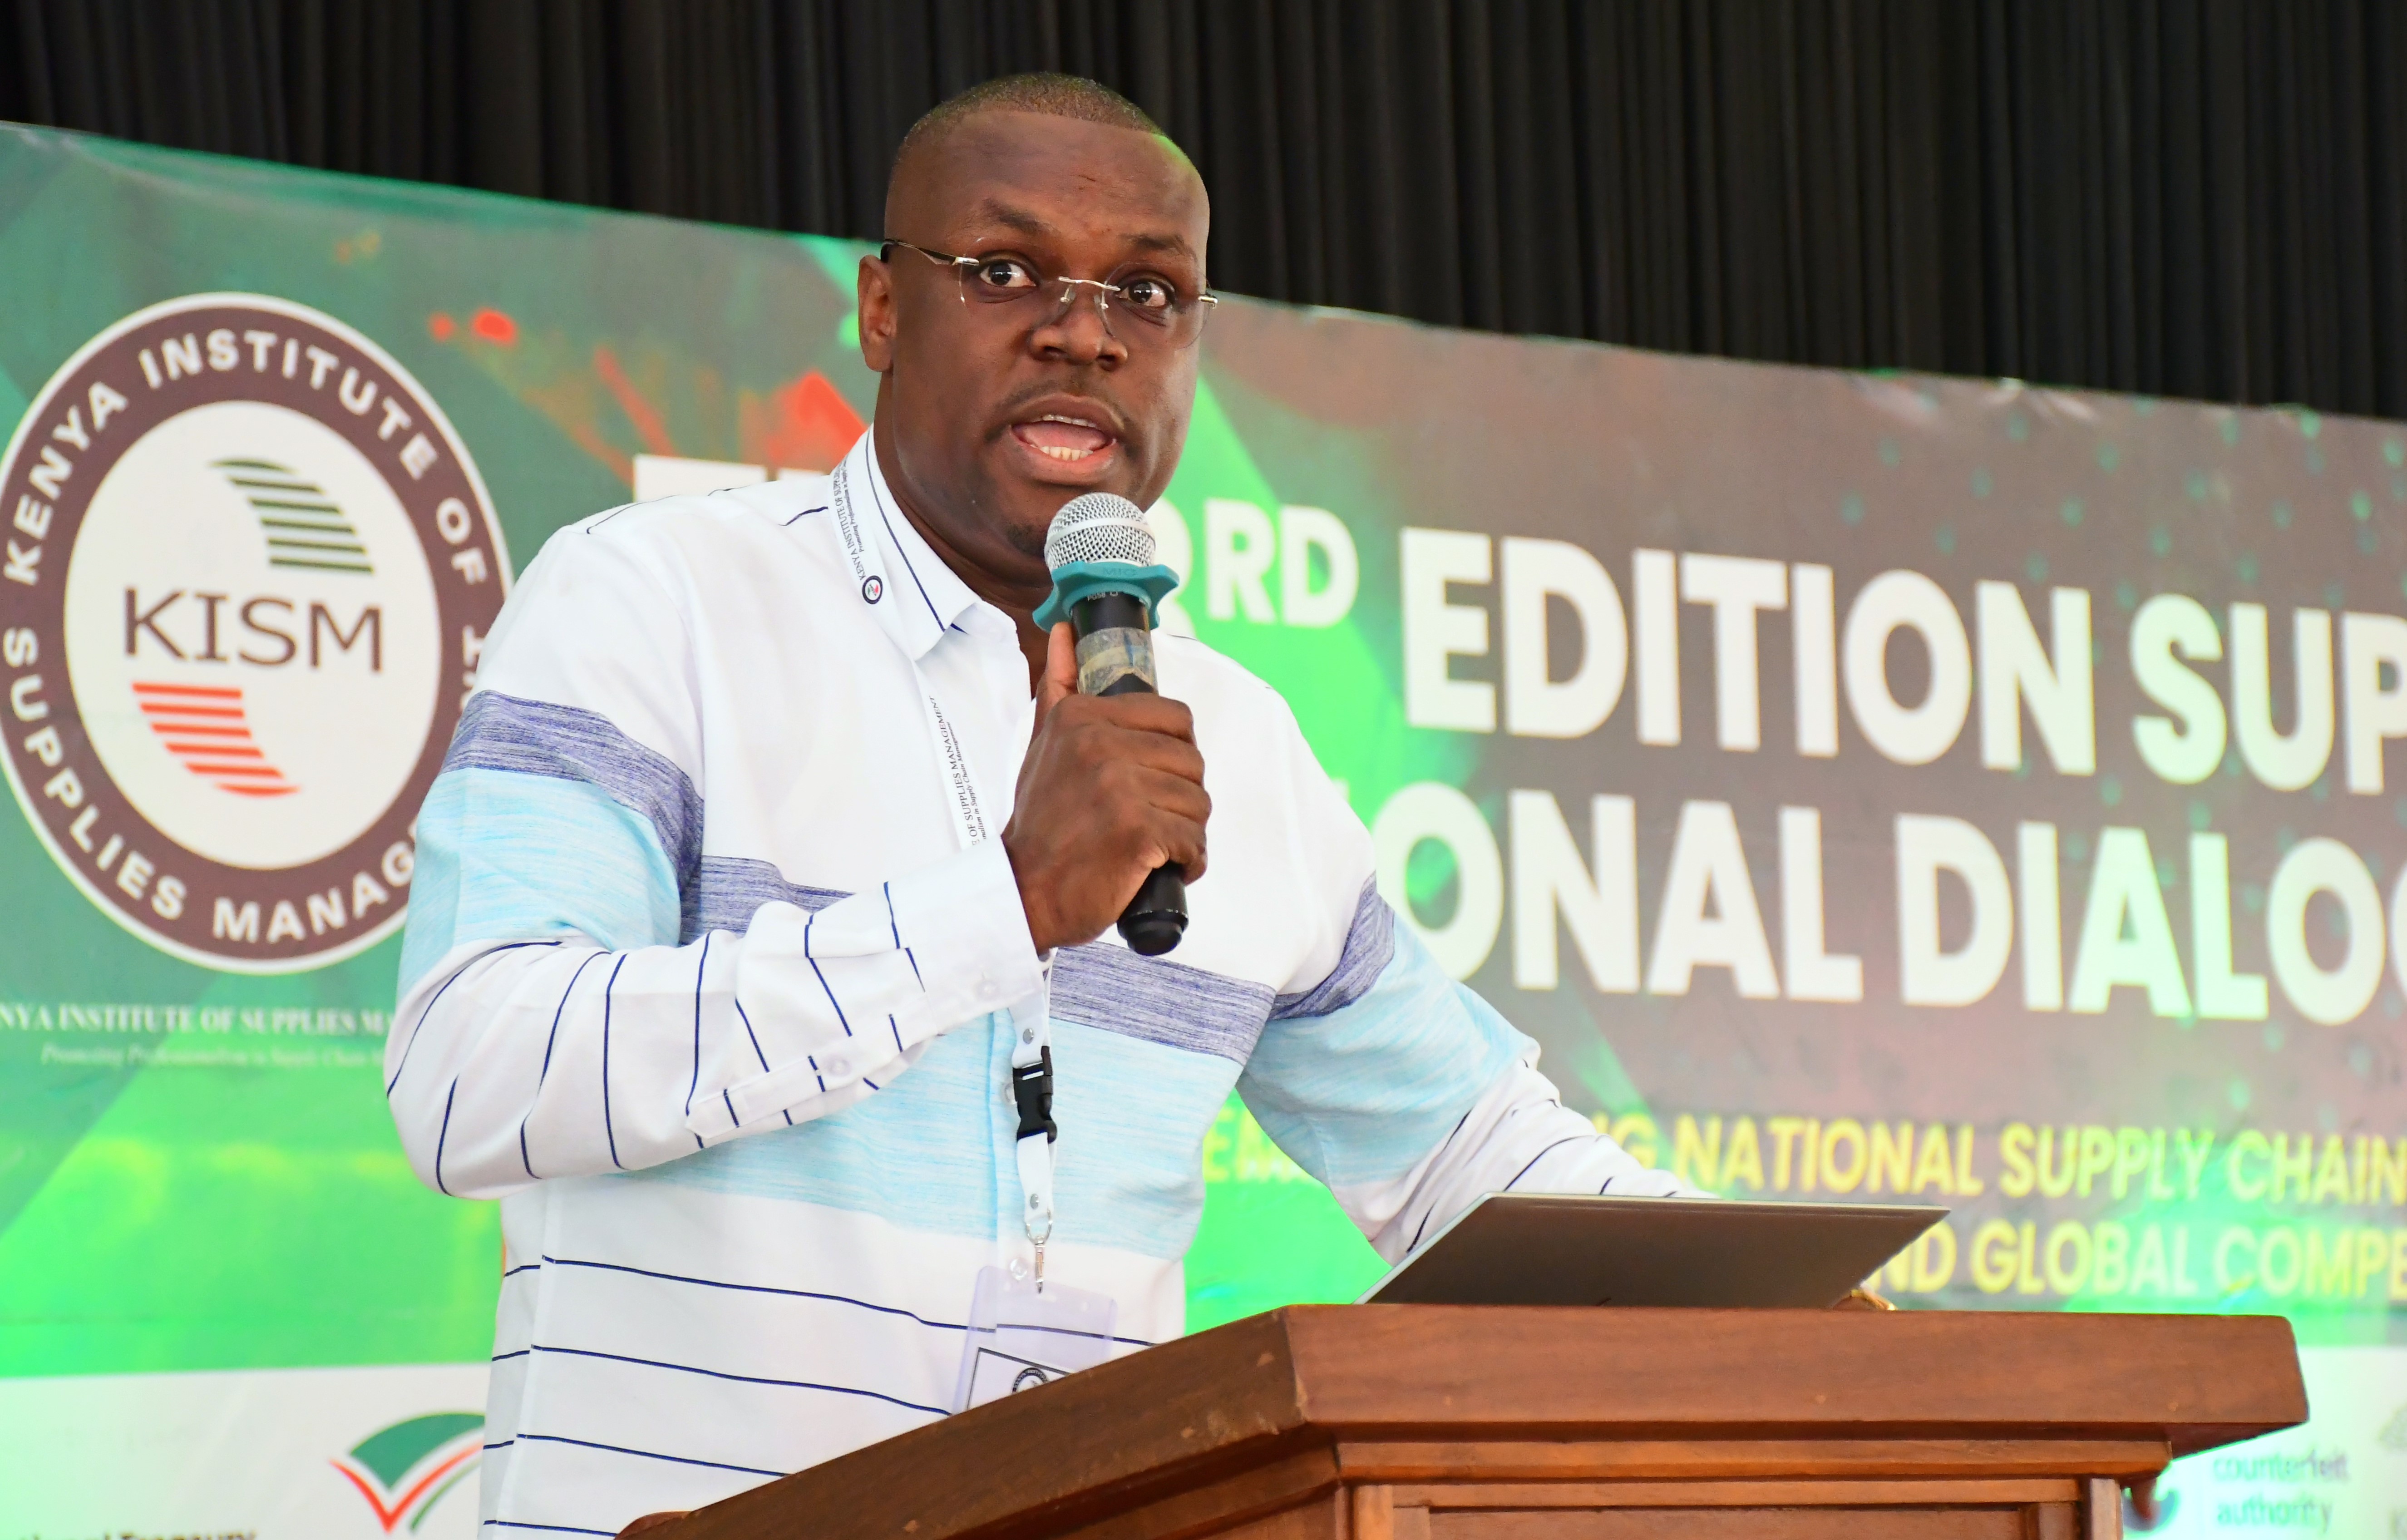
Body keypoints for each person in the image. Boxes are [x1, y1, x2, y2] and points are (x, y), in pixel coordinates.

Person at [386, 72, 1686, 1537]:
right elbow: (470, 1071)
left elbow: (1467, 1150)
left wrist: (1785, 1311)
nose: (1085, 329)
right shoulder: (659, 600)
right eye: (1004, 272)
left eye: (1150, 291)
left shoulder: (1237, 744)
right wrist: (993, 909)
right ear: (882, 310)